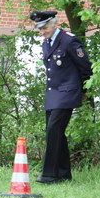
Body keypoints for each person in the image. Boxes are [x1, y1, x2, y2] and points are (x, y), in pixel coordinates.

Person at [31, 11, 93, 183]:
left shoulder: (69, 41)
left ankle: (50, 174)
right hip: (53, 93)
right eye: (40, 29)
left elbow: (85, 67)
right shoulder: (46, 42)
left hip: (67, 92)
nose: (42, 32)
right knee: (55, 132)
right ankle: (64, 173)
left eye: (44, 28)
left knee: (54, 130)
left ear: (54, 24)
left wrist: (84, 90)